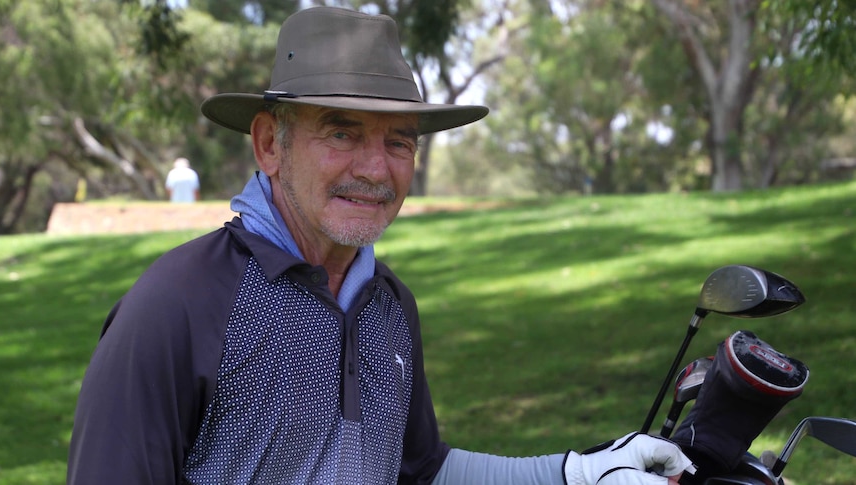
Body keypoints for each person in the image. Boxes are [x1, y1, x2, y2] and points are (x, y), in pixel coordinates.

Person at [67, 6, 695, 485]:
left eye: (399, 141)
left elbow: (419, 470)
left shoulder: (389, 305)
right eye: (341, 132)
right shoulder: (176, 304)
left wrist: (578, 472)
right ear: (268, 145)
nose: (376, 167)